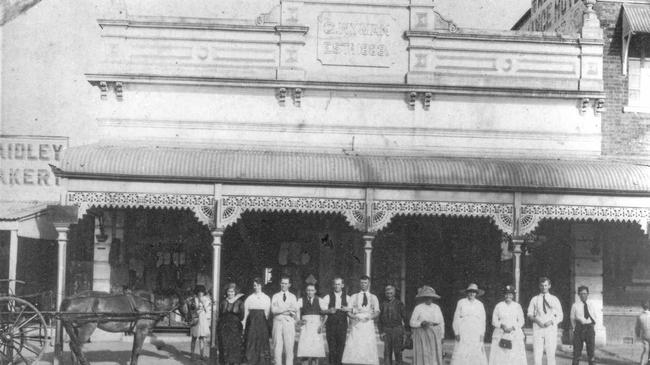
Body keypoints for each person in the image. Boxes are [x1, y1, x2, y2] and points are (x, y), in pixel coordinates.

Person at [341, 275, 381, 365]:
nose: (363, 285)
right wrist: (354, 317)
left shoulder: (373, 297)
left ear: (369, 284)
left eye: (365, 283)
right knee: (356, 345)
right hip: (357, 324)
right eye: (362, 283)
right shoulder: (354, 296)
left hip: (368, 324)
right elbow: (348, 311)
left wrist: (370, 317)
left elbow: (377, 311)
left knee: (368, 345)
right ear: (359, 284)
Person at [528, 277, 564, 365]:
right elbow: (529, 314)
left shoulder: (554, 299)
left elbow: (560, 316)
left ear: (549, 286)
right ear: (539, 286)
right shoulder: (534, 299)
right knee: (537, 352)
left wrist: (551, 321)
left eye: (546, 285)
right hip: (538, 328)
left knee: (551, 353)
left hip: (550, 328)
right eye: (542, 285)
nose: (544, 287)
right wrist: (537, 321)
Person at [489, 285, 527, 365]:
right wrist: (502, 326)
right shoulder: (499, 306)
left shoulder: (517, 306)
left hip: (514, 333)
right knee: (500, 356)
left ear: (513, 295)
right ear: (504, 295)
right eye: (506, 294)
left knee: (514, 355)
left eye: (510, 294)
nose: (508, 296)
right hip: (500, 333)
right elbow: (494, 320)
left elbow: (521, 321)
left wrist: (513, 327)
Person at [451, 283, 488, 365]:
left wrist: (482, 334)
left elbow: (483, 320)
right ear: (467, 292)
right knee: (462, 351)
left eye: (474, 292)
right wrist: (456, 332)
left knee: (475, 351)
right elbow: (456, 318)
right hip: (464, 330)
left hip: (475, 331)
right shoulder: (461, 302)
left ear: (476, 294)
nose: (472, 294)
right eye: (470, 291)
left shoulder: (480, 304)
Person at [409, 286, 444, 365]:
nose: (429, 299)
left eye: (430, 297)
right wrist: (421, 323)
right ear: (423, 298)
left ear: (433, 298)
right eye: (426, 297)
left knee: (434, 354)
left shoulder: (436, 307)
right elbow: (411, 322)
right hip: (422, 334)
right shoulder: (418, 308)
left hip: (435, 334)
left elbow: (441, 322)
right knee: (424, 354)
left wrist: (442, 336)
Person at [322, 277, 352, 365]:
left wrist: (350, 323)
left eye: (338, 284)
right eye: (335, 284)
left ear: (342, 285)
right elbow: (322, 311)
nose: (336, 286)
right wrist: (328, 311)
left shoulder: (348, 297)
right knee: (332, 348)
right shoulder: (327, 297)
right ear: (333, 285)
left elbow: (351, 311)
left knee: (341, 347)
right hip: (331, 326)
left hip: (342, 326)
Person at [271, 276, 299, 365]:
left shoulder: (293, 296)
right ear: (280, 284)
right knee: (277, 347)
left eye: (286, 283)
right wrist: (287, 309)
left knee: (289, 348)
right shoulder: (275, 296)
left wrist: (281, 309)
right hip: (277, 323)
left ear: (289, 285)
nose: (284, 285)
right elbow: (273, 310)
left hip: (289, 323)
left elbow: (294, 310)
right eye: (282, 283)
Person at [297, 283, 327, 365]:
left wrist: (322, 325)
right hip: (305, 327)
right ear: (306, 291)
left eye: (312, 290)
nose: (310, 292)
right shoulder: (301, 300)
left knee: (315, 353)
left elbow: (326, 314)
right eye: (308, 290)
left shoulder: (320, 300)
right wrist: (299, 321)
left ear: (315, 291)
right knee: (305, 352)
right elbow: (296, 311)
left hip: (316, 327)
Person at [243, 277, 271, 365]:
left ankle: (262, 362)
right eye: (254, 285)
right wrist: (244, 325)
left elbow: (267, 313)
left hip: (262, 322)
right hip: (252, 322)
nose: (256, 287)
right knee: (251, 341)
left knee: (262, 341)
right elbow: (246, 313)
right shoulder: (249, 298)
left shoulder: (266, 298)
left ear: (261, 286)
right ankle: (251, 361)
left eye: (258, 285)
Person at [379, 285, 408, 365]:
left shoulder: (399, 304)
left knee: (398, 351)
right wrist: (381, 331)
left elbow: (405, 318)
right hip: (386, 330)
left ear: (394, 293)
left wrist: (407, 332)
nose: (389, 295)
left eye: (391, 293)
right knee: (387, 352)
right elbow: (379, 320)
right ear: (385, 293)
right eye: (387, 293)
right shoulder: (383, 304)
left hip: (397, 329)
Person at [570, 285, 599, 365]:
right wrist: (574, 328)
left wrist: (592, 327)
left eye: (585, 293)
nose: (583, 295)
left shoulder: (591, 304)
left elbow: (595, 316)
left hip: (589, 328)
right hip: (579, 329)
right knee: (576, 353)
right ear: (578, 295)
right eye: (581, 294)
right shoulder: (575, 305)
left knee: (591, 352)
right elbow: (572, 318)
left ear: (588, 294)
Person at [218, 283, 245, 365]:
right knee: (224, 346)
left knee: (234, 347)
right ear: (226, 292)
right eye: (229, 291)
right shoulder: (223, 302)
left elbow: (242, 316)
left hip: (235, 328)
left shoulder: (240, 303)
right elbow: (220, 314)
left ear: (235, 292)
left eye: (232, 292)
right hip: (224, 328)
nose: (230, 293)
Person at [190, 285, 212, 362]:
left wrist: (203, 303)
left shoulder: (207, 299)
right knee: (194, 337)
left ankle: (201, 355)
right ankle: (192, 354)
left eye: (202, 292)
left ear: (204, 292)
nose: (200, 293)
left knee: (201, 338)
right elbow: (191, 310)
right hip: (196, 319)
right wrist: (195, 309)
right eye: (199, 292)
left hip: (203, 319)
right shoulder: (193, 299)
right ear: (197, 292)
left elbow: (208, 311)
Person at [635, 300, 650, 365]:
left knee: (646, 350)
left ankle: (642, 363)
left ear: (642, 307)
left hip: (644, 335)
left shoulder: (640, 316)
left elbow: (637, 327)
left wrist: (637, 335)